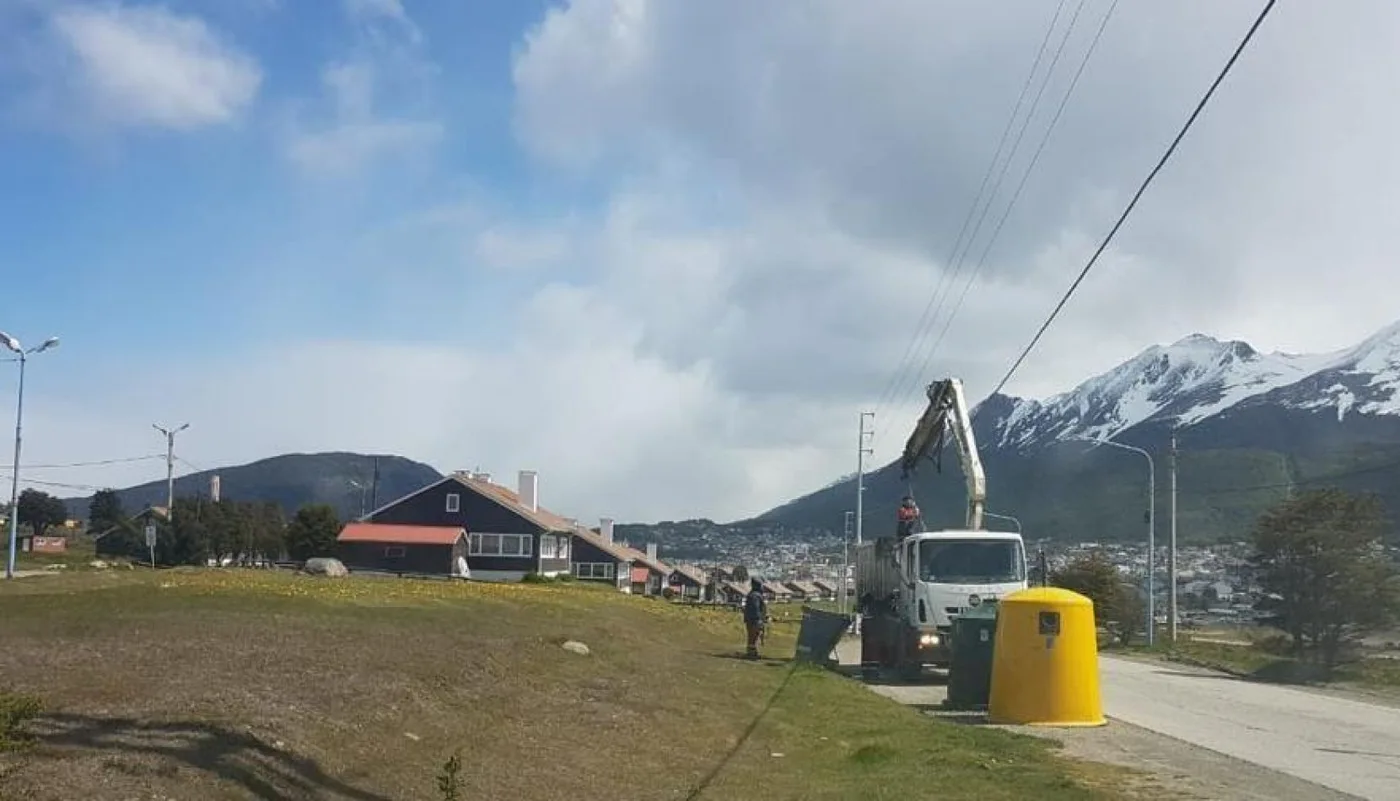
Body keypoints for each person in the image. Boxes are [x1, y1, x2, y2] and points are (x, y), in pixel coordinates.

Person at [743, 578, 768, 660]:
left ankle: (752, 652)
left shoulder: (754, 595)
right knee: (753, 637)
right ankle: (751, 654)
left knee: (753, 637)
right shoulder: (755, 596)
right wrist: (759, 619)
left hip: (752, 619)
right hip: (754, 620)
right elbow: (755, 608)